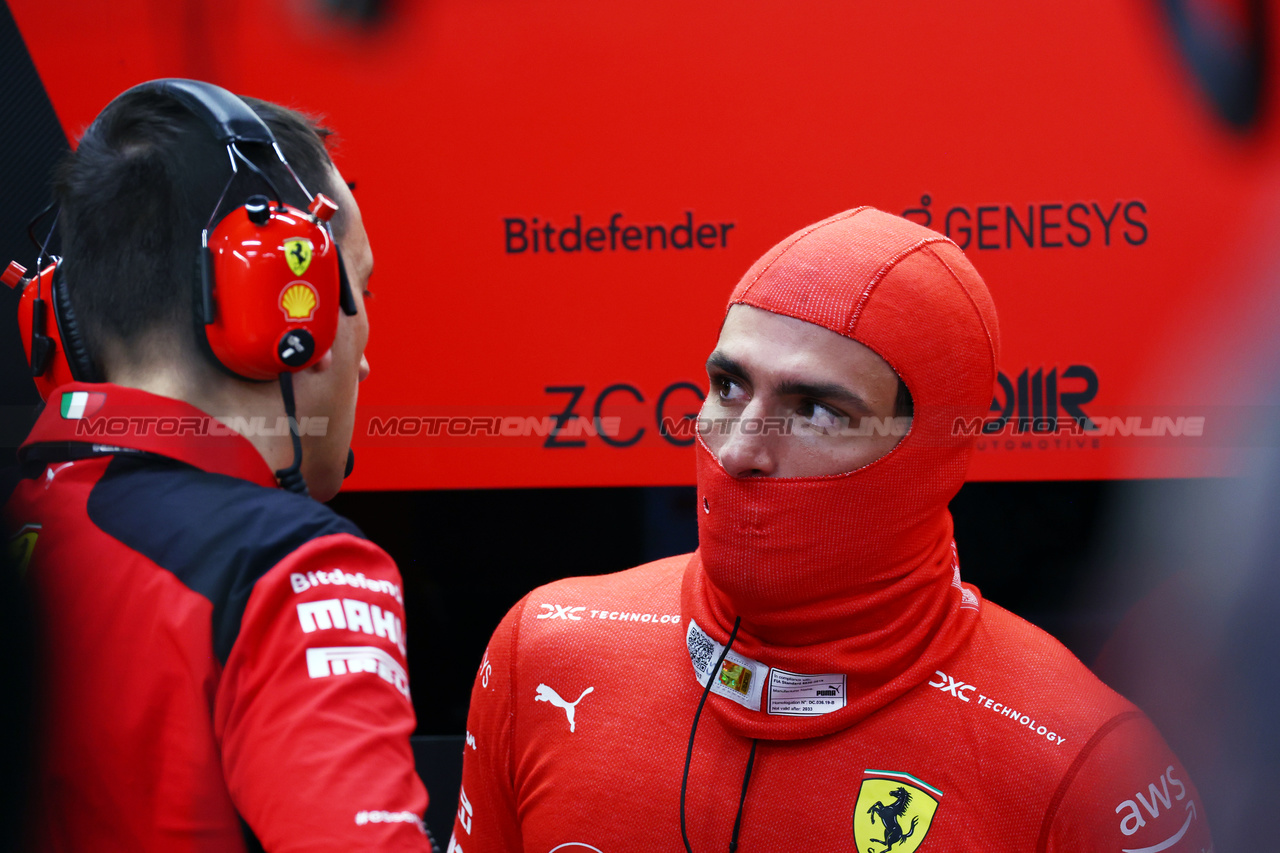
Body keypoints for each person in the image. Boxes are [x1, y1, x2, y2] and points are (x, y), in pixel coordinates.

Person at [449, 208, 1212, 852]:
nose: (742, 446)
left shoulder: (1087, 768)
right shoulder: (544, 646)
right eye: (728, 385)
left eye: (817, 410)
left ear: (933, 455)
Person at [3, 80, 432, 851]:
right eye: (355, 291)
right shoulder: (293, 571)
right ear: (279, 311)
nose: (362, 361)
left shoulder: (34, 521)